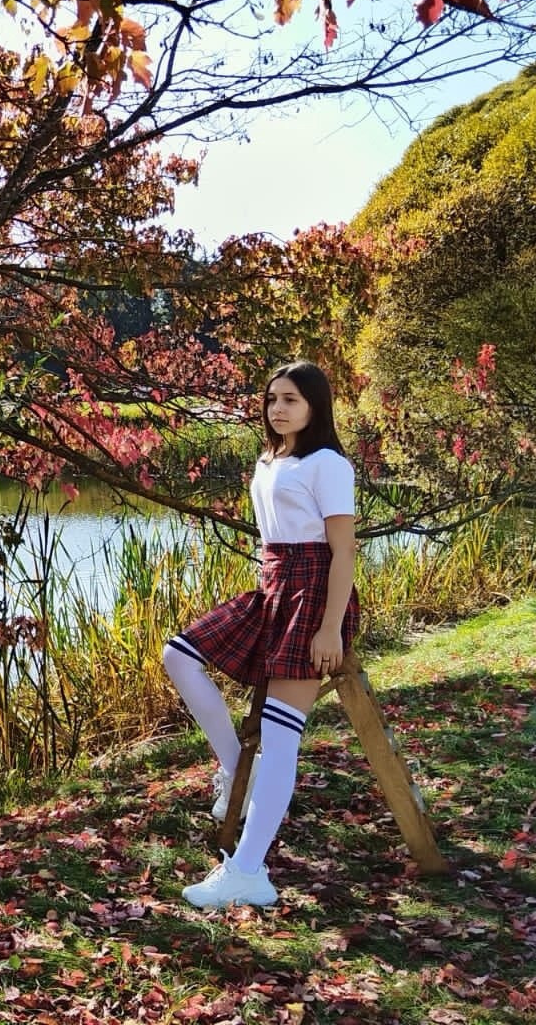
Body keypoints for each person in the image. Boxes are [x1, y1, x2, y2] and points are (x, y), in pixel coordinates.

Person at [161, 360, 359, 909]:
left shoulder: (328, 464)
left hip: (313, 595)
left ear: (315, 405)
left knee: (278, 741)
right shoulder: (270, 460)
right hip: (271, 588)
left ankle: (248, 870)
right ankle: (231, 767)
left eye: (291, 399)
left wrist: (328, 629)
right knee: (178, 655)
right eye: (272, 398)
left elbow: (343, 551)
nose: (278, 408)